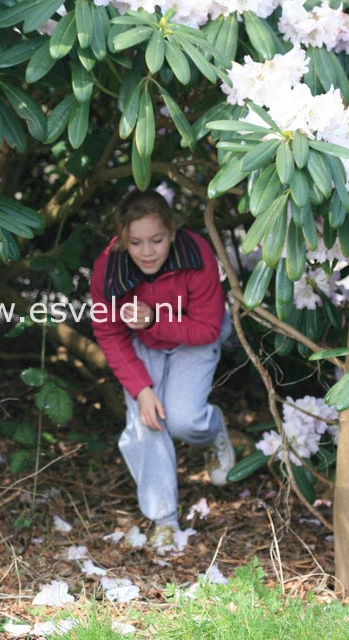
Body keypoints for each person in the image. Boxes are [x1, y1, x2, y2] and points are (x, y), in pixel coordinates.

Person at [89, 189, 234, 553]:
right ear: (122, 240)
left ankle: (213, 428)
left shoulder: (196, 254)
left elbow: (208, 329)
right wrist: (140, 389)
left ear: (172, 232)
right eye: (136, 242)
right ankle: (164, 521)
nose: (147, 251)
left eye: (156, 240)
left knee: (185, 420)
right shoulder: (108, 267)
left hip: (192, 339)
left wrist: (154, 319)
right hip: (141, 344)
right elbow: (108, 330)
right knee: (148, 422)